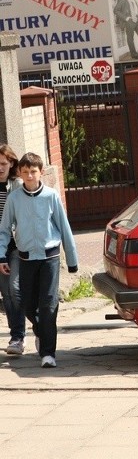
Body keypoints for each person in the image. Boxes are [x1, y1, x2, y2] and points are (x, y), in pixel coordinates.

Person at [0, 153, 78, 369]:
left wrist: (72, 260)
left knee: (48, 304)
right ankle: (41, 331)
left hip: (49, 257)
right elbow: (5, 230)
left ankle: (48, 353)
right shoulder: (14, 199)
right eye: (25, 172)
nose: (30, 176)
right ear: (20, 173)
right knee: (26, 304)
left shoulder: (51, 196)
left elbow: (64, 228)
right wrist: (1, 255)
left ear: (41, 172)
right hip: (26, 259)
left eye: (33, 172)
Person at [0, 145, 25, 356]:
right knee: (6, 295)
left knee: (15, 290)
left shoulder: (17, 186)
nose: (0, 168)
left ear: (11, 164)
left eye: (3, 164)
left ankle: (20, 336)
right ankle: (15, 337)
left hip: (15, 247)